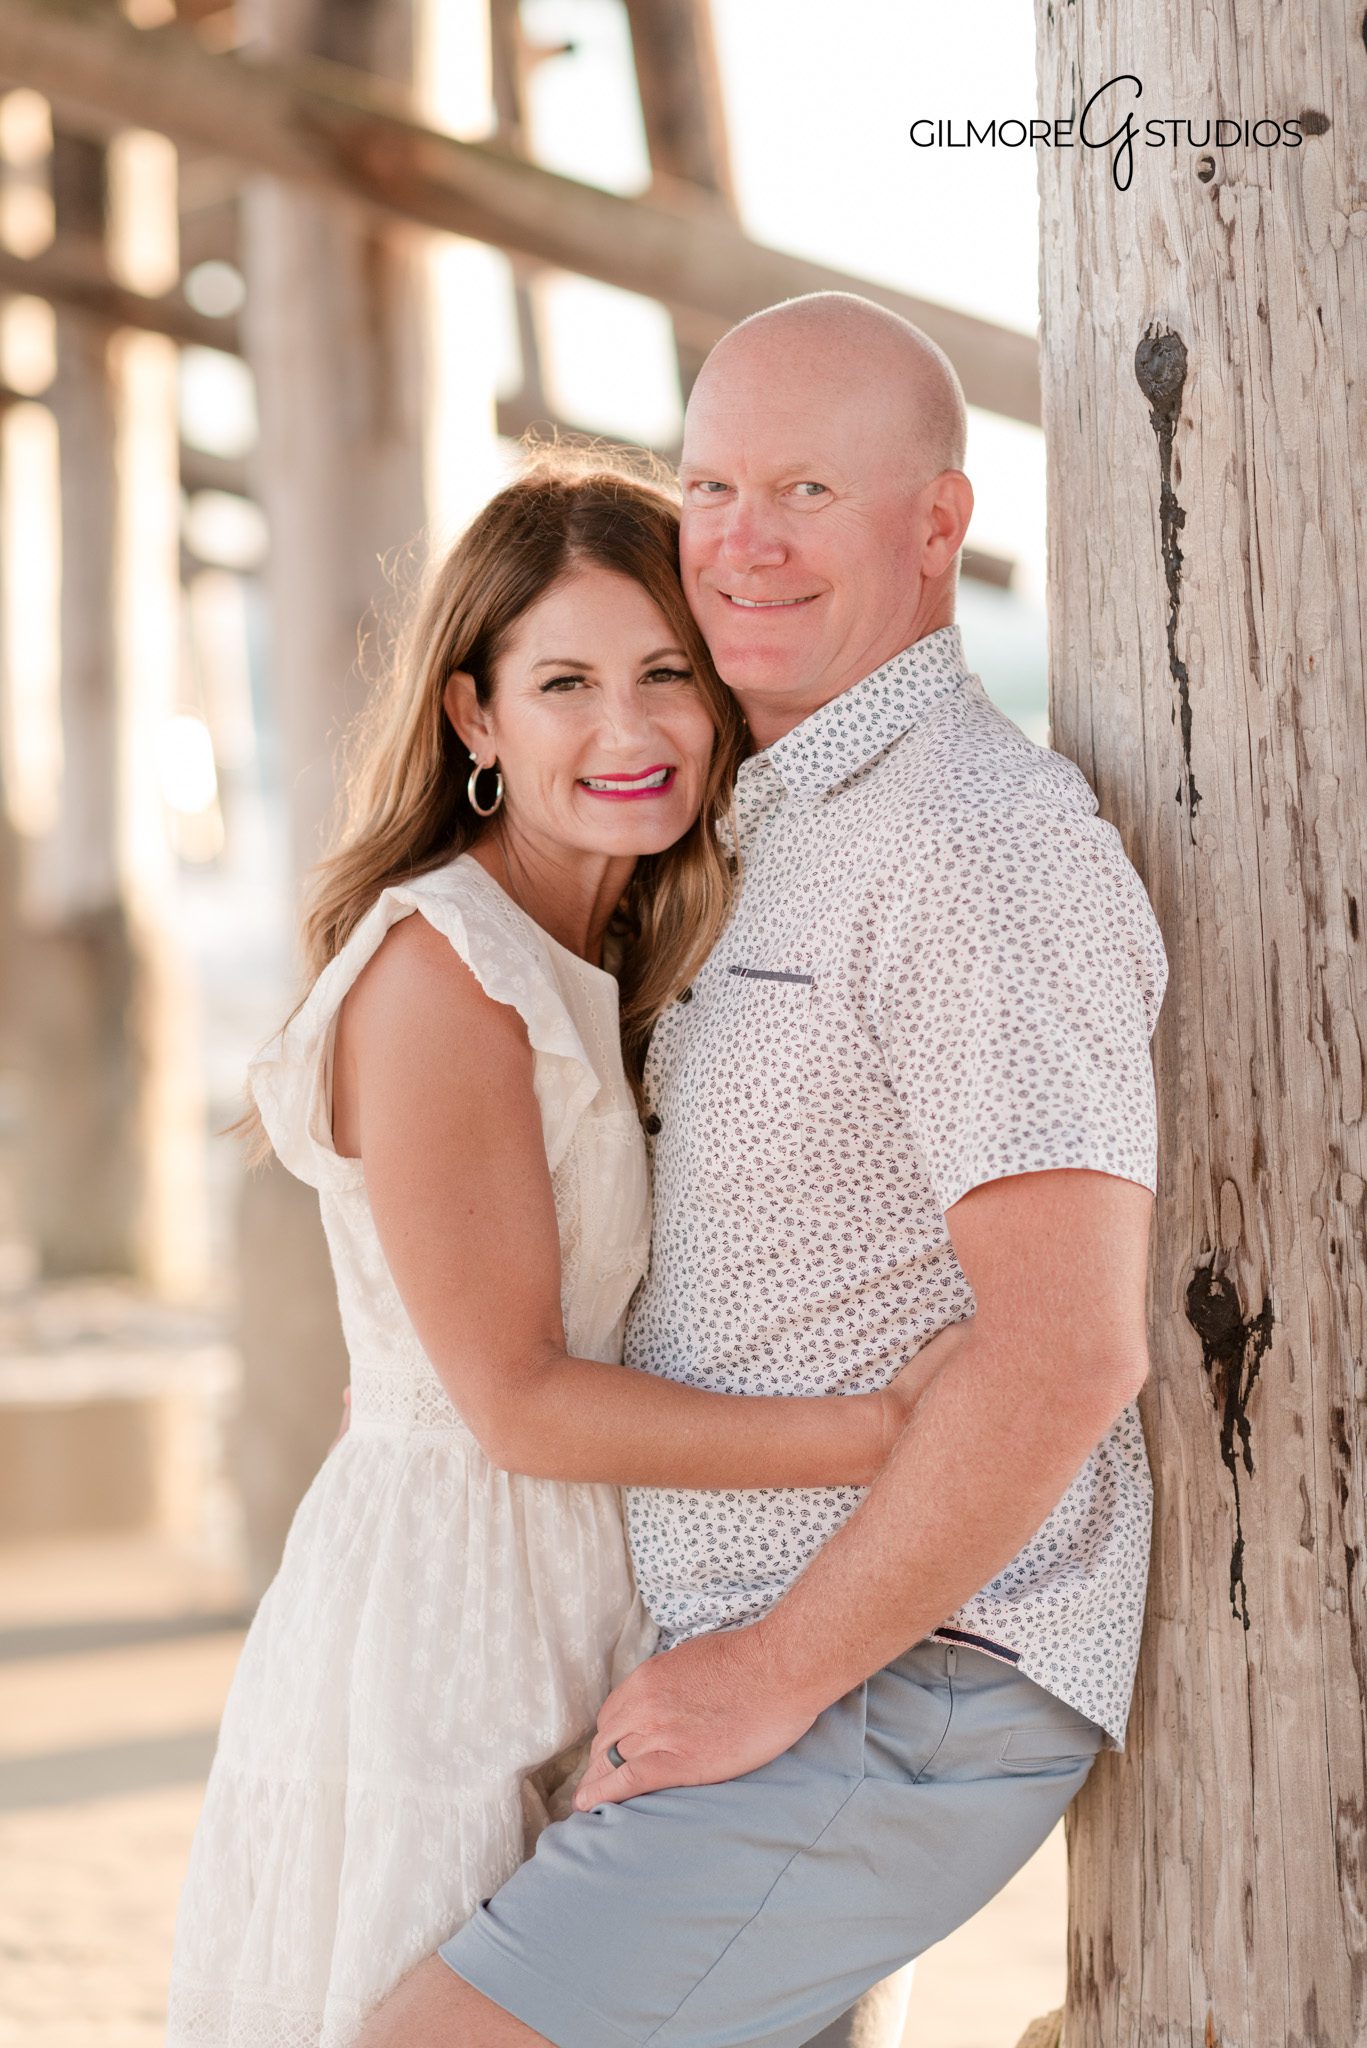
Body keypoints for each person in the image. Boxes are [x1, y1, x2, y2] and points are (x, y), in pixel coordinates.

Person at [356, 293, 1169, 2048]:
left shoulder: (974, 845)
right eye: (714, 484)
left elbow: (1067, 1348)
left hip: (907, 1673)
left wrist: (768, 1677)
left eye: (806, 488)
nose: (738, 542)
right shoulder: (755, 831)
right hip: (766, 1658)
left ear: (939, 523)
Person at [164, 454, 949, 2048]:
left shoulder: (619, 956)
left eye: (669, 673)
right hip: (459, 1618)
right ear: (475, 717)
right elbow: (513, 1400)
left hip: (610, 1578)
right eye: (567, 683)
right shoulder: (447, 971)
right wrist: (889, 1440)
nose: (630, 730)